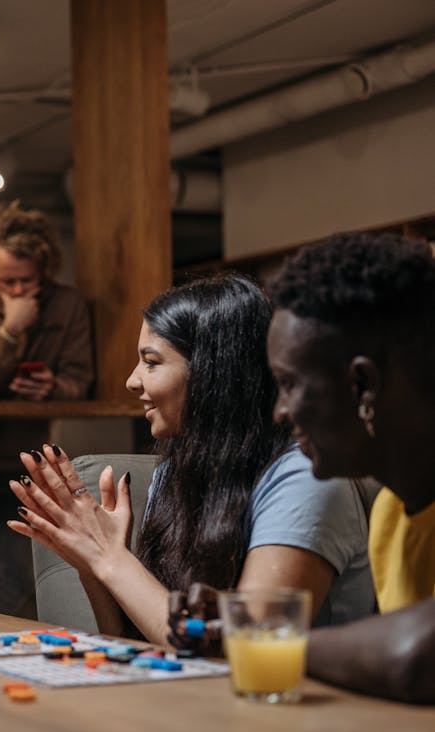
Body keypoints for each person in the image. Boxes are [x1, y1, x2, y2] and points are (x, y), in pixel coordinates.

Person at [7, 274, 375, 646]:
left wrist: (110, 557)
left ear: (214, 371)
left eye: (151, 362)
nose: (132, 382)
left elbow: (250, 645)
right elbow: (137, 642)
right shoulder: (176, 469)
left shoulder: (304, 478)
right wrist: (92, 566)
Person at [171, 233, 435, 703]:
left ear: (362, 386)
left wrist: (267, 638)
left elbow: (418, 658)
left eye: (290, 384)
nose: (280, 411)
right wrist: (234, 621)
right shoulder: (393, 516)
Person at [0, 200, 93, 617]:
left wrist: (53, 387)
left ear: (44, 272)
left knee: (18, 579)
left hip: (26, 462)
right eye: (3, 280)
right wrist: (11, 332)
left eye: (24, 282)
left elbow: (80, 383)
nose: (12, 290)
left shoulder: (68, 305)